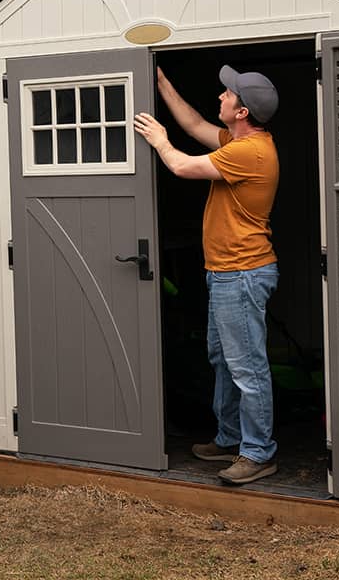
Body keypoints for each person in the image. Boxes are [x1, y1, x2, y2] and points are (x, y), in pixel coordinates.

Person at [133, 64, 280, 485]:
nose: (220, 96)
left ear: (242, 111)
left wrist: (160, 141)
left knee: (247, 367)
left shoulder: (248, 153)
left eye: (228, 94)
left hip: (242, 273)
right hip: (226, 273)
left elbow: (180, 166)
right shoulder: (240, 140)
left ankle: (258, 452)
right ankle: (230, 437)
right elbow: (194, 123)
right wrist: (161, 81)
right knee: (224, 359)